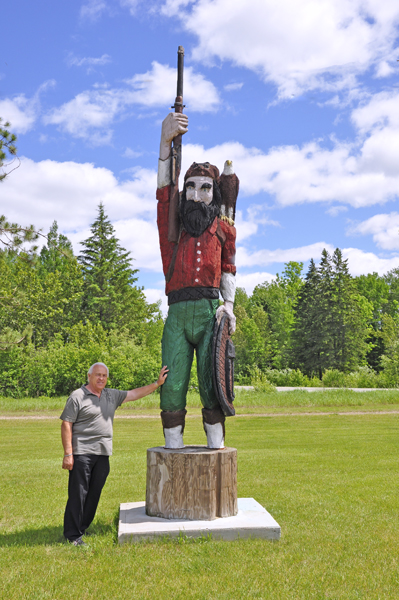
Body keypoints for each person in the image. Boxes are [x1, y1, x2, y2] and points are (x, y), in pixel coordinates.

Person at [157, 112, 238, 450]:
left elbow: (228, 269)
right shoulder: (172, 231)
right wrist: (164, 143)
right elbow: (164, 193)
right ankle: (172, 449)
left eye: (205, 188)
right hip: (176, 313)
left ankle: (215, 449)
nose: (196, 194)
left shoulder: (223, 228)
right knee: (172, 383)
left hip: (209, 311)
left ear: (215, 193)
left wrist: (228, 306)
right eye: (190, 187)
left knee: (212, 381)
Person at [60, 361, 168, 546]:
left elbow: (134, 394)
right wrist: (68, 454)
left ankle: (82, 528)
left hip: (102, 454)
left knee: (94, 494)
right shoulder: (77, 396)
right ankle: (72, 535)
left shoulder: (111, 395)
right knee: (78, 494)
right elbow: (66, 424)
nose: (101, 378)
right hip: (82, 454)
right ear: (89, 376)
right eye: (97, 375)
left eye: (104, 375)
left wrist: (157, 384)